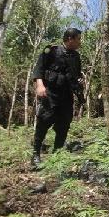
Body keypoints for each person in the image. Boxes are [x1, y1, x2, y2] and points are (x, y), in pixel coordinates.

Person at [31, 28, 84, 168]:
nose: (80, 41)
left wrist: (79, 85)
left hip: (67, 95)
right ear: (70, 39)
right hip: (51, 93)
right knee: (43, 122)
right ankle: (35, 155)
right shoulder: (51, 50)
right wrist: (40, 85)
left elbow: (76, 76)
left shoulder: (76, 57)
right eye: (78, 38)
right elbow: (38, 69)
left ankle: (57, 156)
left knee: (64, 124)